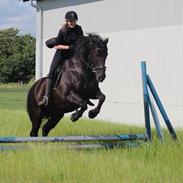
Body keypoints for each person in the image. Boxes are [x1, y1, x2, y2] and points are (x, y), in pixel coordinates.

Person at [38, 11, 84, 106]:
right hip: (61, 54)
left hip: (73, 54)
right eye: (70, 21)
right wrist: (69, 47)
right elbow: (56, 46)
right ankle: (46, 97)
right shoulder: (63, 31)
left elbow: (81, 41)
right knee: (52, 72)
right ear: (67, 21)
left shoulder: (79, 29)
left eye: (74, 21)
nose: (72, 23)